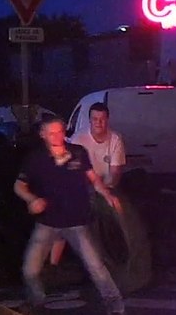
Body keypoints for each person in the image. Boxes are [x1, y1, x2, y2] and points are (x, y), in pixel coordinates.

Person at [14, 116, 127, 315]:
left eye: (59, 131)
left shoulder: (77, 153)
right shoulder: (35, 159)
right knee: (30, 269)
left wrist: (108, 195)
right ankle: (36, 299)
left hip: (76, 221)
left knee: (96, 267)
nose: (57, 136)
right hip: (48, 221)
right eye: (51, 133)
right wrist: (32, 199)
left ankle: (116, 309)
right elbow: (19, 186)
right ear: (42, 135)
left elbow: (93, 179)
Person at [51, 102, 125, 265]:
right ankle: (56, 263)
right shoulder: (79, 139)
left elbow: (115, 173)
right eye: (95, 119)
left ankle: (113, 255)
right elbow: (73, 172)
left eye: (102, 119)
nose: (98, 123)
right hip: (83, 187)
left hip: (105, 187)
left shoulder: (115, 139)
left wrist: (106, 190)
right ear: (90, 120)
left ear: (107, 120)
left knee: (112, 212)